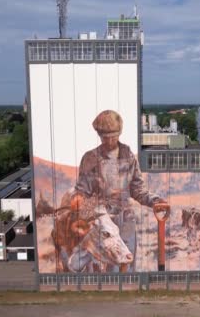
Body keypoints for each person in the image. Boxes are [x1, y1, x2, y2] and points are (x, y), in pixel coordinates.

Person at [70, 110, 170, 271]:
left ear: (120, 133)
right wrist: (80, 204)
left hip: (126, 221)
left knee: (127, 265)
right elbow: (81, 192)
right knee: (106, 269)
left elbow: (138, 189)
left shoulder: (128, 157)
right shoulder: (90, 159)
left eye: (113, 136)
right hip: (102, 223)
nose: (110, 140)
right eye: (105, 137)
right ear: (99, 135)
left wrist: (155, 201)